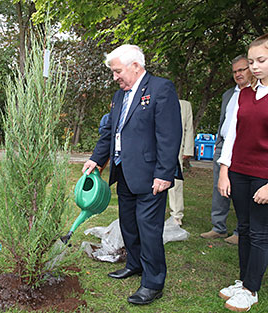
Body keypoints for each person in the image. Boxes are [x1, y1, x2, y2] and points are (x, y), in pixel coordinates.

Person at [82, 45, 182, 305]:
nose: (115, 77)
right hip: (123, 171)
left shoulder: (161, 89)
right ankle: (135, 264)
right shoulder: (119, 96)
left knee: (149, 229)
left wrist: (164, 173)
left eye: (117, 71)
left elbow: (170, 136)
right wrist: (96, 160)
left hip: (151, 176)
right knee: (129, 224)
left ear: (135, 66)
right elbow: (110, 133)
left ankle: (153, 282)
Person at [217, 30, 268, 312]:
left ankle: (251, 290)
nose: (254, 67)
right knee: (244, 229)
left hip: (267, 175)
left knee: (259, 232)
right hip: (238, 172)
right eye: (251, 61)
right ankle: (244, 280)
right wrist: (224, 171)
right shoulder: (245, 95)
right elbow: (232, 134)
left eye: (260, 60)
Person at [201, 56, 252, 244]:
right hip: (223, 146)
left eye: (242, 69)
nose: (238, 74)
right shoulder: (228, 94)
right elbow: (224, 121)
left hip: (243, 147)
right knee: (218, 187)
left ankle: (240, 231)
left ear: (251, 69)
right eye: (235, 71)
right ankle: (218, 227)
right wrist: (218, 141)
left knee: (240, 188)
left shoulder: (256, 93)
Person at [167, 99, 194, 226]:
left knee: (176, 183)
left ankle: (176, 215)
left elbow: (189, 128)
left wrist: (188, 149)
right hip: (152, 148)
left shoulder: (184, 105)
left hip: (175, 150)